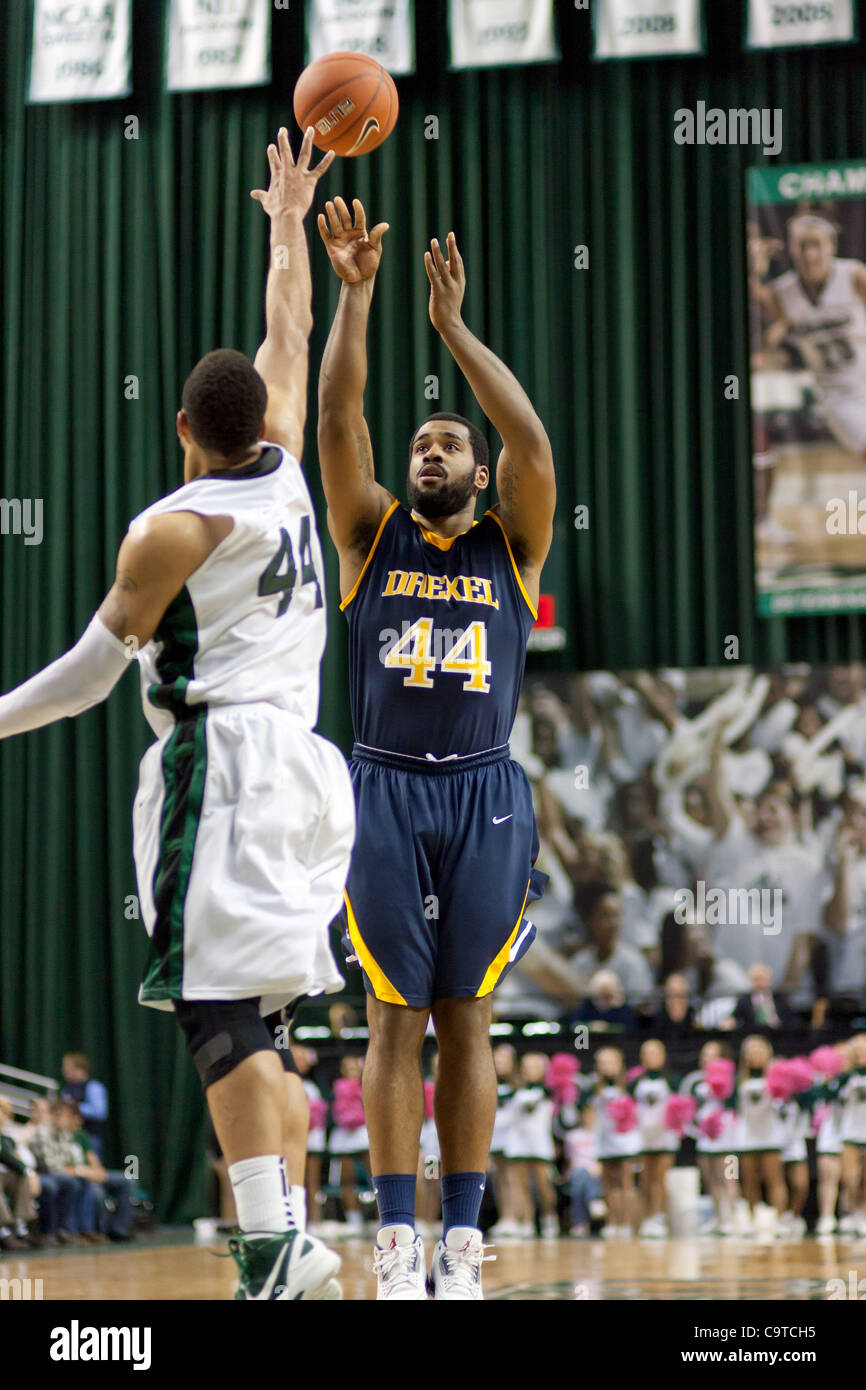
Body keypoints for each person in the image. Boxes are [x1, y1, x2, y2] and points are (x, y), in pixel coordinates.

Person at [0, 128, 354, 1300]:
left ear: (182, 429)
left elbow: (93, 678)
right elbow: (290, 331)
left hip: (230, 766)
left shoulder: (172, 528)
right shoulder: (287, 463)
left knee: (213, 1008)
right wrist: (284, 225)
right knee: (258, 1015)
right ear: (254, 418)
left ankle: (271, 1246)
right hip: (307, 769)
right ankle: (285, 1232)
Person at [315, 197, 555, 1299]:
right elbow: (337, 419)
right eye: (420, 441)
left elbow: (530, 441)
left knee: (468, 1015)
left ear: (472, 472)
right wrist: (356, 298)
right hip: (380, 788)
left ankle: (461, 1241)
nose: (428, 449)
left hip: (483, 794)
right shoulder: (368, 535)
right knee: (391, 1016)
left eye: (445, 441)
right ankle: (396, 1240)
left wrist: (453, 331)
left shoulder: (514, 541)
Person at [60, 1053, 108, 1156]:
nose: (64, 1071)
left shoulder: (93, 1087)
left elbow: (100, 1113)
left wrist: (76, 1107)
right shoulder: (66, 1090)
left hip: (90, 1138)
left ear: (78, 1069)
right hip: (69, 1138)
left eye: (67, 1067)